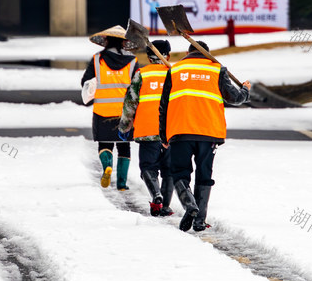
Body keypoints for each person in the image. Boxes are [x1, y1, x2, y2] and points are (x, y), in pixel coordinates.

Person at [159, 40, 251, 232]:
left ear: (188, 52)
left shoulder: (175, 70)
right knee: (204, 175)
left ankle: (189, 205)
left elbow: (164, 106)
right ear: (206, 54)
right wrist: (245, 89)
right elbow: (235, 98)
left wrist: (163, 136)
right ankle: (200, 220)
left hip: (180, 131)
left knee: (179, 173)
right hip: (209, 133)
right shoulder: (217, 69)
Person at [118, 39, 174, 216]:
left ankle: (156, 195)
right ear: (168, 56)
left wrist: (124, 126)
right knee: (169, 170)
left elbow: (130, 102)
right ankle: (164, 206)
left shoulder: (142, 74)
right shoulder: (175, 74)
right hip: (172, 131)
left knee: (148, 167)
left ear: (149, 58)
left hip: (147, 130)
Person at [81, 25, 138, 190]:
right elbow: (137, 86)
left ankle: (107, 165)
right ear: (124, 42)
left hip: (102, 110)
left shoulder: (97, 59)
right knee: (124, 146)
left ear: (106, 40)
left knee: (104, 144)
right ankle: (121, 183)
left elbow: (85, 81)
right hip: (124, 112)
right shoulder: (133, 60)